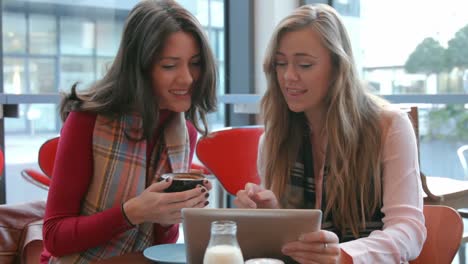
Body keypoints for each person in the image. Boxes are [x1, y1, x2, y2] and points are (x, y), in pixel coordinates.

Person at [234, 4, 426, 264]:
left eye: (304, 64)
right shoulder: (274, 139)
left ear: (338, 67)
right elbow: (290, 247)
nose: (288, 76)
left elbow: (409, 231)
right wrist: (271, 217)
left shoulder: (389, 126)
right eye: (280, 64)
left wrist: (344, 256)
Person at [41, 0, 217, 262]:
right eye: (170, 66)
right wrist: (132, 212)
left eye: (195, 63)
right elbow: (55, 238)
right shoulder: (86, 120)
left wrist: (172, 213)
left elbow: (161, 246)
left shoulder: (184, 131)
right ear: (140, 68)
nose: (188, 78)